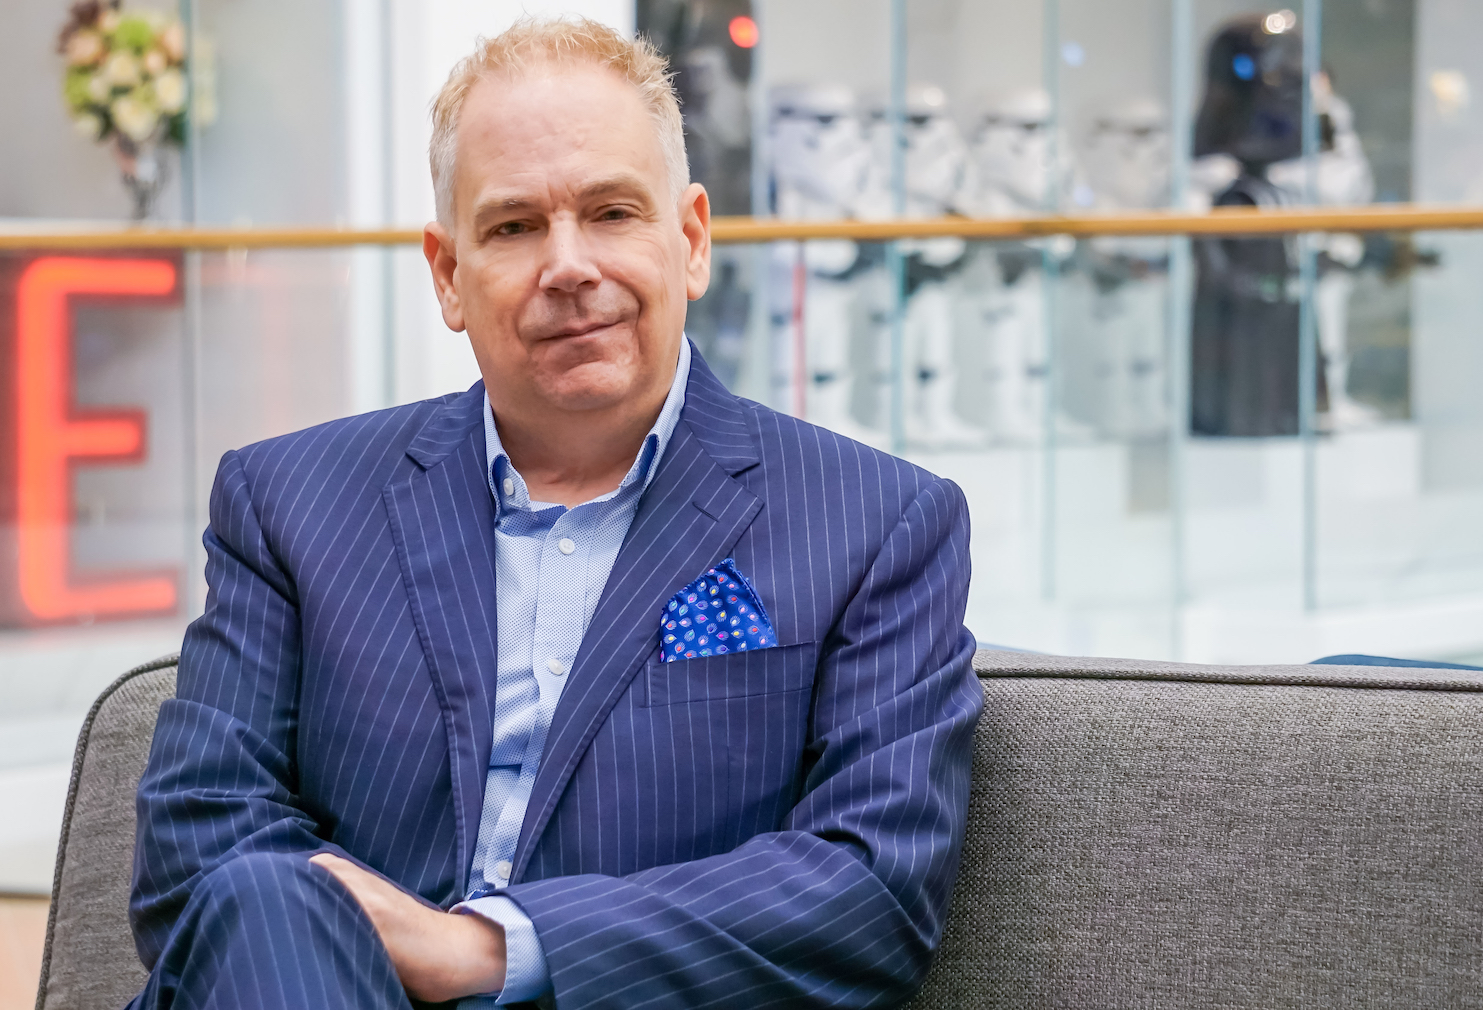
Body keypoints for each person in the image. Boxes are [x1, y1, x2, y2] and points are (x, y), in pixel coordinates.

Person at [127, 17, 983, 1010]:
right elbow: (194, 843)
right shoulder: (288, 502)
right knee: (265, 899)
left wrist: (487, 949)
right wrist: (343, 946)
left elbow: (869, 890)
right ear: (448, 274)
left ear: (691, 239)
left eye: (611, 212)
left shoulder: (877, 523)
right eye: (513, 227)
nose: (568, 265)